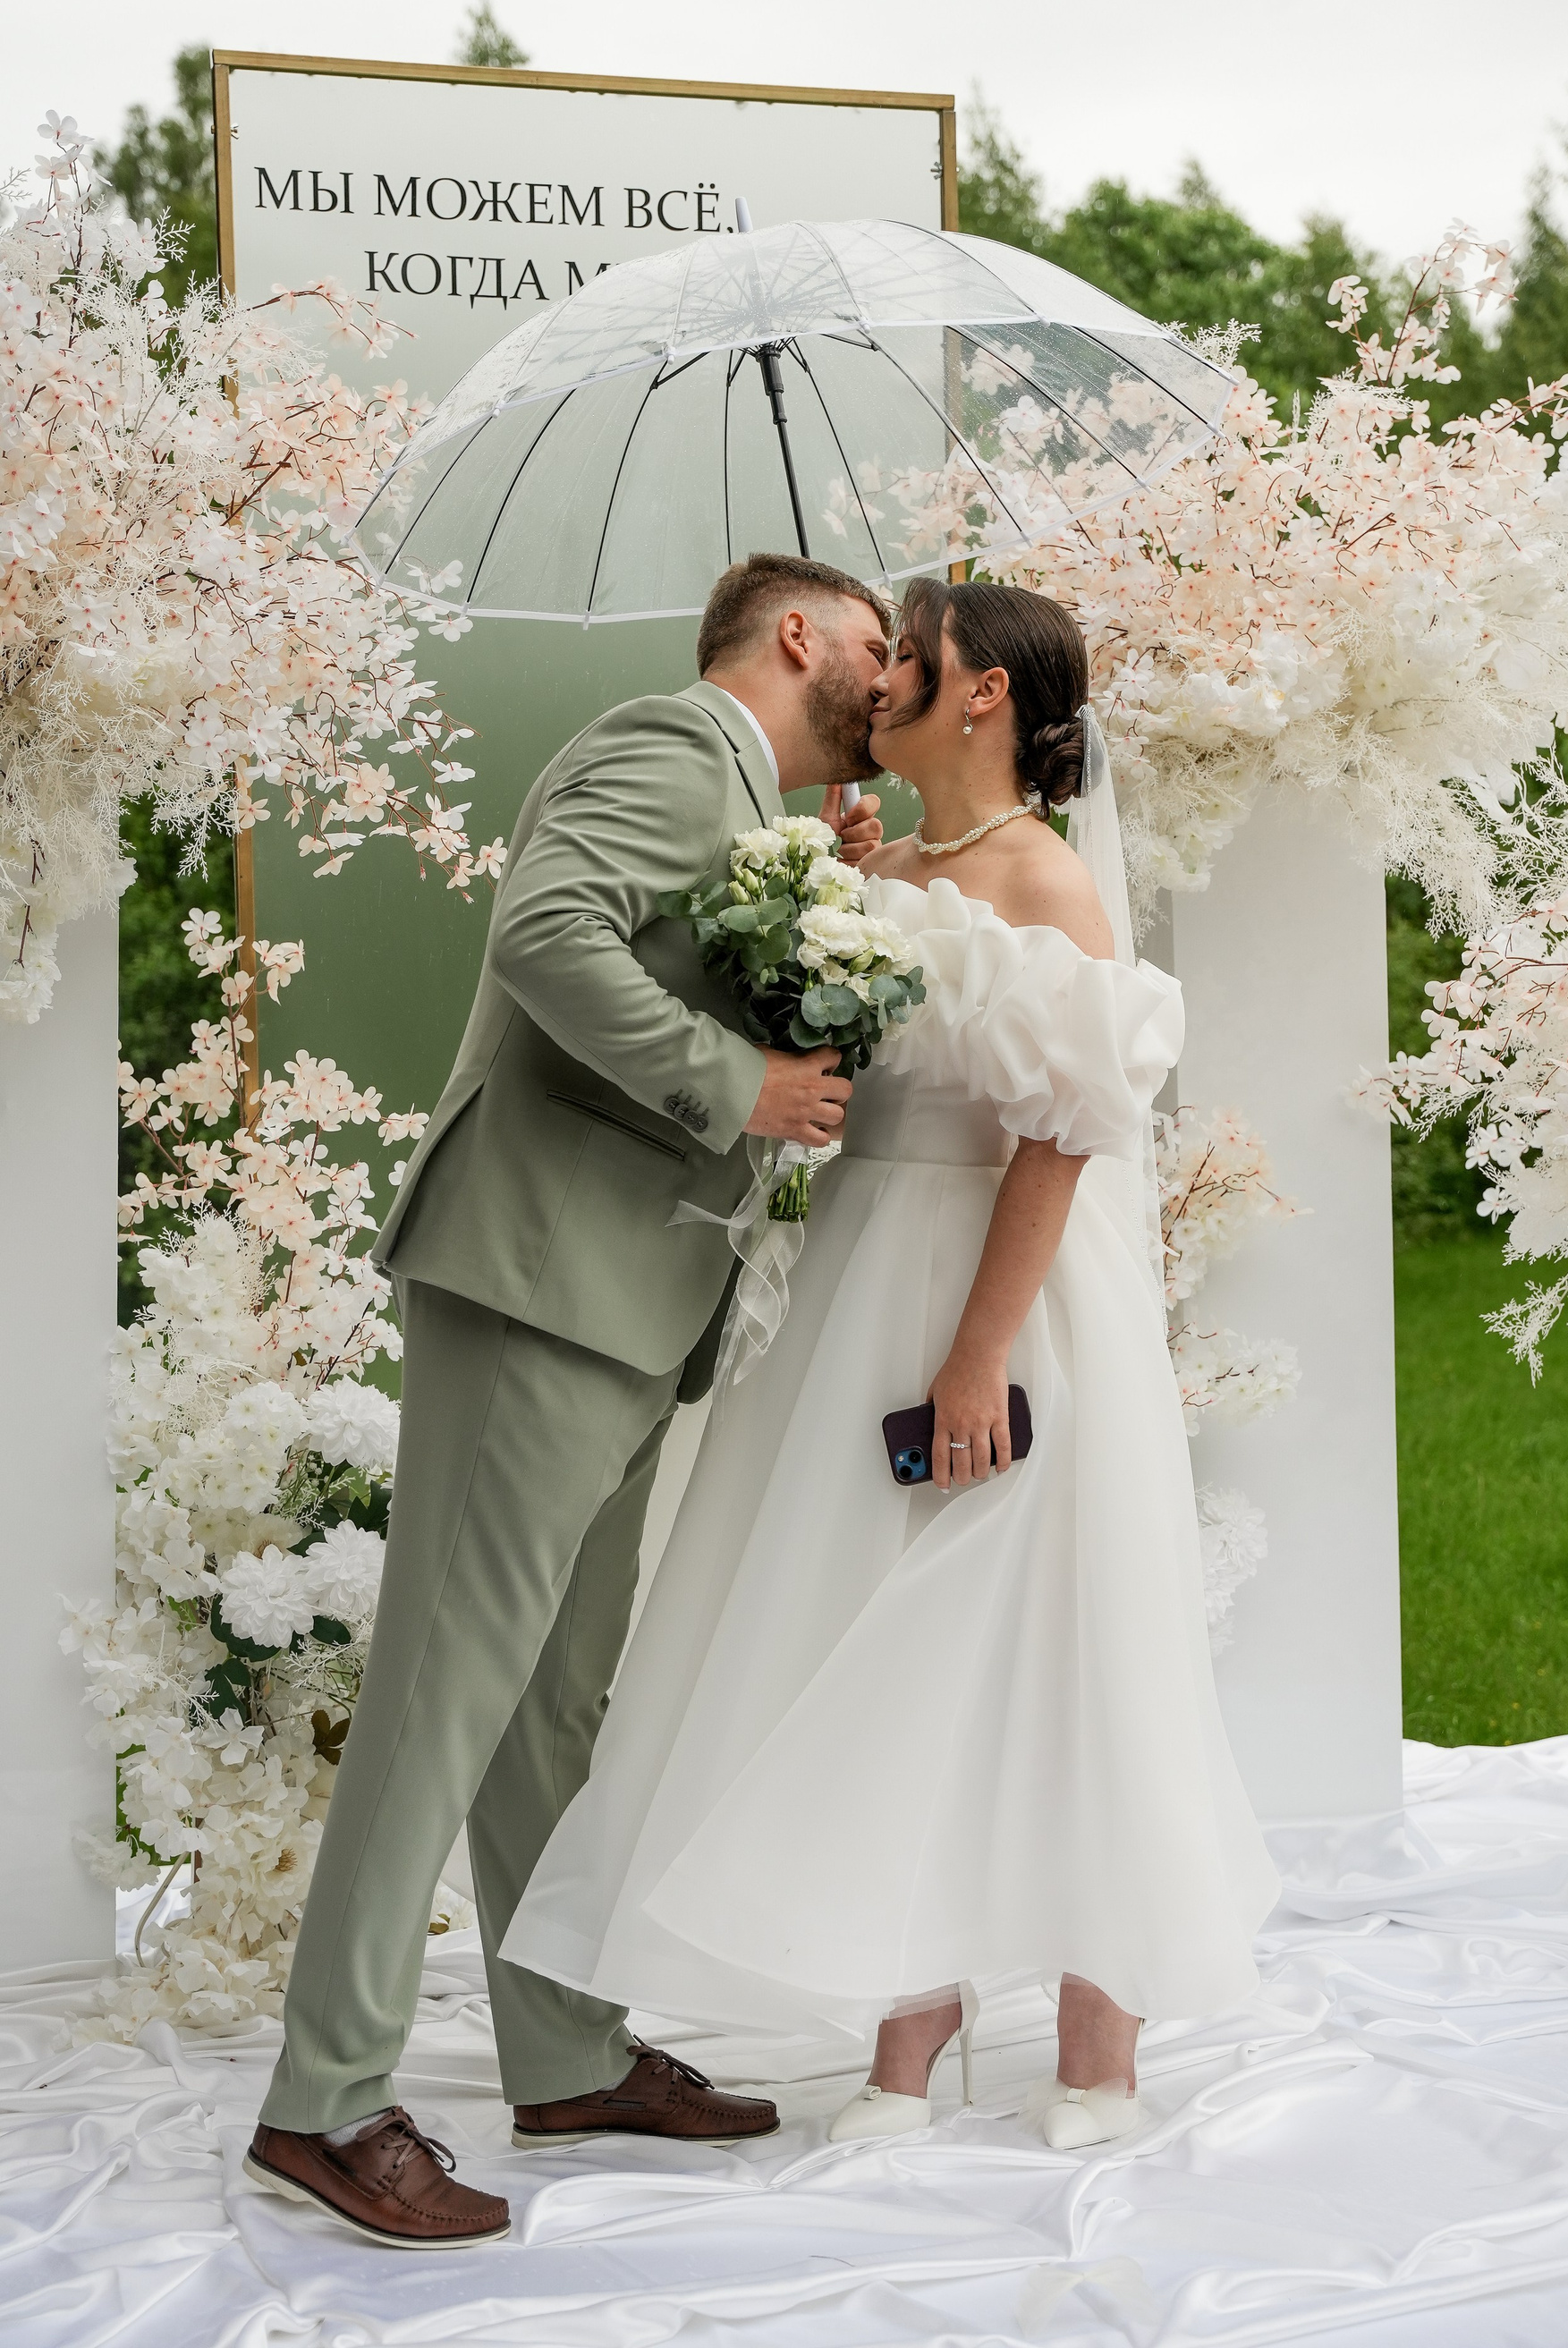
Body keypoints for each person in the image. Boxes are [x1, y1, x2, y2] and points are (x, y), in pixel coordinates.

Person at [504, 578, 1282, 2155]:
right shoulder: (888, 870)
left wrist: (979, 1355)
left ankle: (1099, 2054)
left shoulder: (1046, 880)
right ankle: (907, 2035)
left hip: (1005, 1295)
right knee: (879, 1640)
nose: (880, 681)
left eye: (908, 656)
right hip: (868, 1276)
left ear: (982, 693)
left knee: (1063, 1642)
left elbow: (1064, 1131)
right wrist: (828, 904)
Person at [244, 552, 890, 2249]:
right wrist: (741, 1081)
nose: (889, 674)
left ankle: (565, 2054)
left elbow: (659, 955)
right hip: (539, 1275)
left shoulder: (747, 804)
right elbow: (544, 934)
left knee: (547, 1705)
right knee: (440, 1693)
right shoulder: (671, 746)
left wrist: (809, 919)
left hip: (627, 1295)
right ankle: (325, 2103)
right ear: (798, 635)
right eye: (874, 642)